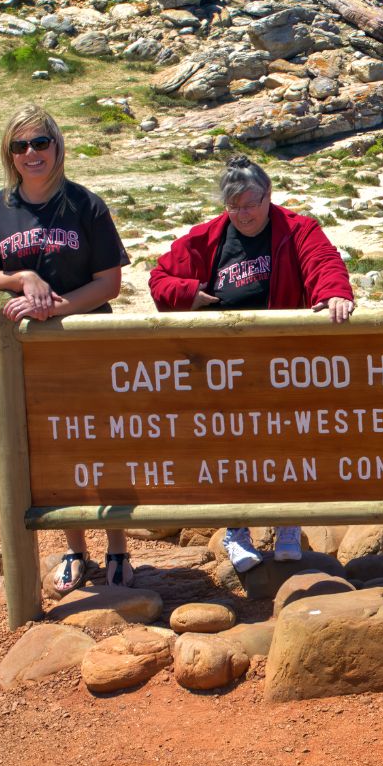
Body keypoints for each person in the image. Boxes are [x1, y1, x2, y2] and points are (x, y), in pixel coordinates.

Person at [150, 155, 356, 573]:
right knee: (231, 445)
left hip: (281, 359)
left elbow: (323, 262)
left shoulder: (297, 228)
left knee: (287, 440)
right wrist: (188, 293)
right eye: (235, 206)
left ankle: (287, 523)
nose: (244, 214)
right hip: (224, 366)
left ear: (268, 196)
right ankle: (236, 530)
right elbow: (159, 278)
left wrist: (334, 291)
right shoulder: (209, 237)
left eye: (251, 203)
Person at [0, 103, 133, 591]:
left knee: (102, 447)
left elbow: (109, 283)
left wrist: (57, 309)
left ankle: (119, 550)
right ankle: (74, 550)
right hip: (23, 352)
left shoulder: (85, 205)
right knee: (51, 452)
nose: (31, 153)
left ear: (57, 146)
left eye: (40, 142)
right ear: (10, 153)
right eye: (20, 145)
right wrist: (23, 278)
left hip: (83, 345)